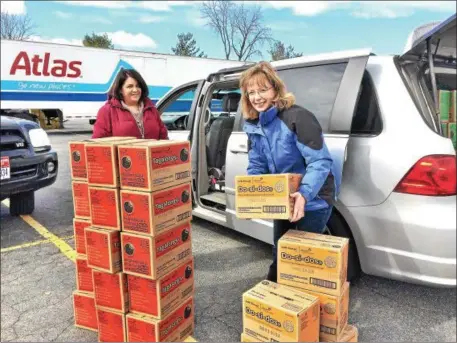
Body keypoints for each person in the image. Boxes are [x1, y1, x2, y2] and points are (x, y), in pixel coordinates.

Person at [240, 61, 339, 282]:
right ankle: (281, 306)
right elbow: (256, 166)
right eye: (251, 92)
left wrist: (304, 194)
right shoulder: (254, 125)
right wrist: (253, 197)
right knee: (281, 254)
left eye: (263, 90)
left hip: (313, 199)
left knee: (303, 263)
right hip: (283, 199)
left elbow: (320, 160)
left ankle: (308, 309)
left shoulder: (298, 117)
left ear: (275, 88)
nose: (257, 97)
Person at [92, 68, 168, 139]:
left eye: (138, 86)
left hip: (152, 153)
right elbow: (98, 142)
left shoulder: (151, 109)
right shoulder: (107, 111)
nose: (135, 90)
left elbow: (163, 137)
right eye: (130, 86)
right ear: (120, 90)